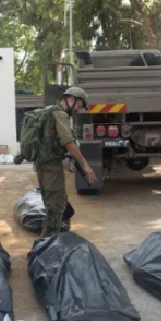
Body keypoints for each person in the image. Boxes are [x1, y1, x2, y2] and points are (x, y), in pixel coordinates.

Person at [35, 87, 98, 237]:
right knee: (56, 207)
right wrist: (85, 165)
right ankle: (44, 246)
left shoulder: (49, 110)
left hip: (42, 164)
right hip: (51, 167)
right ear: (70, 99)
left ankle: (52, 238)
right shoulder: (59, 114)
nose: (78, 110)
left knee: (55, 201)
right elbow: (69, 143)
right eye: (78, 106)